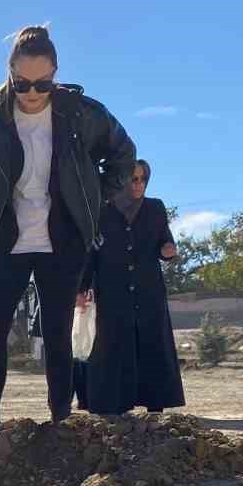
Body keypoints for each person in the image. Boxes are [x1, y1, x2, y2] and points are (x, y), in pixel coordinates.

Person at [0, 25, 136, 424]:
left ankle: (60, 422)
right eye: (22, 83)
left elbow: (123, 153)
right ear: (10, 72)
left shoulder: (81, 113)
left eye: (42, 84)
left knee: (57, 335)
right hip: (2, 239)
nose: (31, 94)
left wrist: (91, 202)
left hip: (61, 239)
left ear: (55, 74)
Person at [77, 159, 184, 416]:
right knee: (113, 345)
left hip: (148, 290)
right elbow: (90, 254)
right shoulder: (101, 212)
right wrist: (81, 288)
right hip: (112, 290)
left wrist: (168, 251)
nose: (139, 185)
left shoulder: (155, 208)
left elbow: (165, 241)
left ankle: (154, 402)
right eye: (133, 179)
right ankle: (115, 403)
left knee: (151, 342)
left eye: (143, 179)